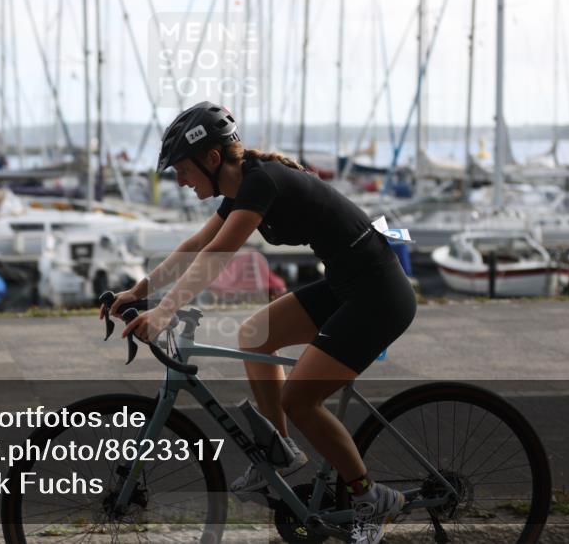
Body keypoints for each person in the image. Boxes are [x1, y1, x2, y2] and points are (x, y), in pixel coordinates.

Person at [100, 102, 416, 542]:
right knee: (254, 335)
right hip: (349, 285)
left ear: (212, 159)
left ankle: (370, 496)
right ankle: (280, 453)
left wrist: (166, 310)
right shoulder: (243, 186)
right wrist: (140, 291)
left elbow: (217, 255)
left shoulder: (260, 183)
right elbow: (196, 244)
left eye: (182, 169)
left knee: (299, 401)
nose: (180, 180)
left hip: (379, 296)